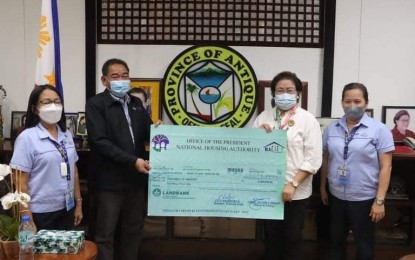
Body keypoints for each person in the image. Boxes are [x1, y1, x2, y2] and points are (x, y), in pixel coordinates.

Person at [86, 58, 160, 260]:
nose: (121, 80)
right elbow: (100, 142)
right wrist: (132, 161)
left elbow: (147, 133)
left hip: (135, 182)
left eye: (125, 75)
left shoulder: (136, 103)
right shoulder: (96, 104)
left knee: (133, 231)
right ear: (104, 80)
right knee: (105, 235)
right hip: (109, 183)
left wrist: (158, 130)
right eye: (115, 76)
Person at [252, 71, 323, 259]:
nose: (284, 94)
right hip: (268, 190)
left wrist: (293, 184)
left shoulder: (308, 120)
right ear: (273, 94)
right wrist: (256, 136)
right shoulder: (263, 117)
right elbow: (250, 152)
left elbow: (314, 158)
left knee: (292, 238)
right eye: (280, 90)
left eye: (290, 90)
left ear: (298, 93)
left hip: (296, 192)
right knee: (271, 239)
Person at [320, 83, 394, 260]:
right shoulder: (331, 129)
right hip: (336, 196)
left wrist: (379, 200)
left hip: (364, 199)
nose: (352, 105)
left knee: (364, 245)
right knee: (335, 242)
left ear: (366, 103)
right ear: (342, 103)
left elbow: (386, 166)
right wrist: (323, 187)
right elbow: (325, 158)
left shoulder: (379, 130)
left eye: (357, 101)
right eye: (347, 101)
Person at [10, 84, 83, 230]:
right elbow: (19, 182)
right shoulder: (27, 138)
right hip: (40, 212)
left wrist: (78, 203)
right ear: (35, 108)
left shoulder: (66, 134)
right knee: (43, 253)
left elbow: (73, 170)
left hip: (67, 207)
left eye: (57, 101)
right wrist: (26, 216)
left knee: (65, 252)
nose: (53, 106)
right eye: (47, 102)